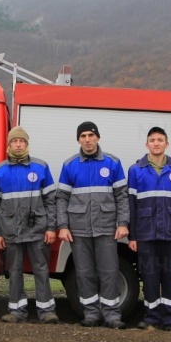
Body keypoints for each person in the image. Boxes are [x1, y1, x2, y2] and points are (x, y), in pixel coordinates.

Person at [57, 121, 129, 329]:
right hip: (79, 230)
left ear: (98, 137)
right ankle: (91, 313)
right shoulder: (70, 165)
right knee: (84, 272)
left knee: (109, 271)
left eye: (91, 135)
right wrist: (63, 226)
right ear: (78, 139)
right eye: (83, 136)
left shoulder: (112, 163)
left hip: (106, 228)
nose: (87, 140)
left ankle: (112, 315)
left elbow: (122, 196)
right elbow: (61, 198)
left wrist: (122, 223)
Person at [0, 126, 59, 324]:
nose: (18, 144)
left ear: (27, 144)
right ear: (9, 144)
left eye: (22, 141)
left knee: (41, 270)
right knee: (15, 271)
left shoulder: (40, 167)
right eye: (15, 141)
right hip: (10, 232)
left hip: (38, 231)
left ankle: (47, 311)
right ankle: (16, 310)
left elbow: (51, 200)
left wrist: (51, 228)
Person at [128, 127, 171, 332]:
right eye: (152, 140)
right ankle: (152, 317)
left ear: (167, 144)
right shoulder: (136, 170)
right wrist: (133, 236)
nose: (156, 143)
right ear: (147, 144)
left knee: (170, 275)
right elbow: (131, 206)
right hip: (146, 233)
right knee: (150, 276)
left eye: (160, 140)